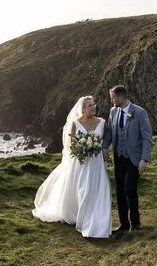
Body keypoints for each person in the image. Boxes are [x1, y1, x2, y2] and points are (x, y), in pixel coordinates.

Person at [32, 96, 112, 238]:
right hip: (81, 163)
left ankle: (99, 221)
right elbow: (71, 145)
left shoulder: (102, 123)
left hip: (97, 163)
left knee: (98, 189)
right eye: (89, 106)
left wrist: (104, 148)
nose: (93, 107)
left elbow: (108, 139)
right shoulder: (75, 123)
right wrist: (82, 148)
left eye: (94, 105)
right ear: (82, 109)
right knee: (82, 190)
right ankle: (79, 215)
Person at [102, 85, 152, 233]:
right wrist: (105, 146)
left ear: (119, 98)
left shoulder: (140, 112)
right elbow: (111, 132)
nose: (112, 102)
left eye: (113, 99)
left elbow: (147, 137)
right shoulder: (113, 111)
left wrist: (145, 159)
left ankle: (135, 223)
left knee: (129, 189)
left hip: (134, 159)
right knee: (120, 192)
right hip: (119, 158)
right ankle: (124, 224)